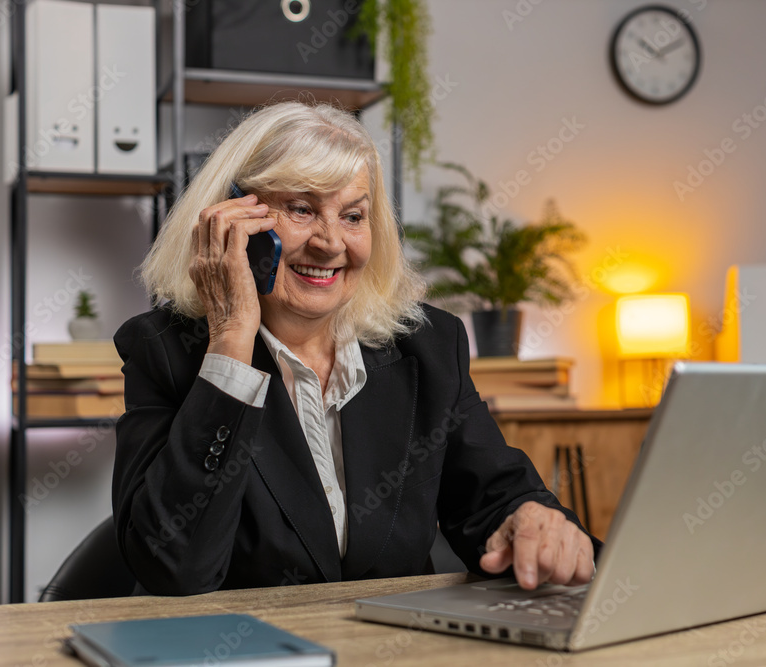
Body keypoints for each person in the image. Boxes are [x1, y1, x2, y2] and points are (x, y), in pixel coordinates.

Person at [112, 101, 597, 596]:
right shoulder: (168, 353)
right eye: (301, 209)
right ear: (231, 221)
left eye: (352, 215)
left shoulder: (427, 347)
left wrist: (531, 518)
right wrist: (231, 337)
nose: (330, 243)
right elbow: (174, 568)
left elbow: (494, 497)